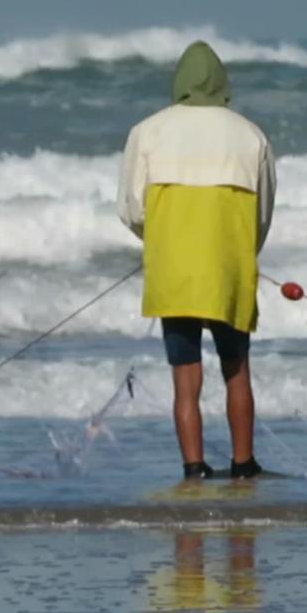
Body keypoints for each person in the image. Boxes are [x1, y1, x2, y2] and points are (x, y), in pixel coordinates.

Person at [117, 41, 276, 480]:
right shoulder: (250, 134)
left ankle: (194, 467)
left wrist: (160, 240)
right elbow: (263, 212)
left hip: (174, 268)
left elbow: (131, 208)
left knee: (185, 376)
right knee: (236, 368)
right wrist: (244, 251)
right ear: (222, 82)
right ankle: (243, 463)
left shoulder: (147, 132)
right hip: (229, 265)